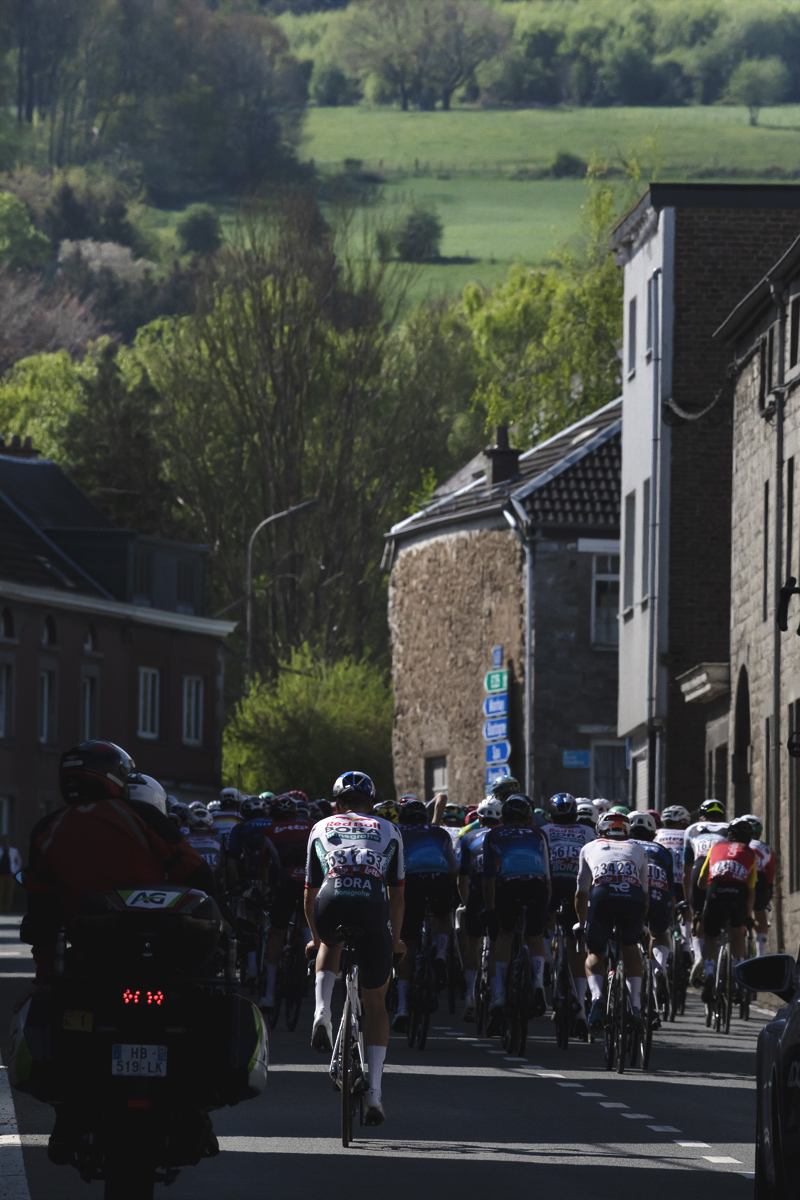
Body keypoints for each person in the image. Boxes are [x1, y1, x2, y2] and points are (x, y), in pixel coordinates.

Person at [24, 741, 214, 982]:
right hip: (160, 949)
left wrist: (45, 976)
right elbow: (197, 873)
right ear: (112, 775)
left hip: (88, 955)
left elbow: (41, 912)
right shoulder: (142, 815)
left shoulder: (46, 829)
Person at [305, 770, 405, 1127]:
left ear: (336, 804)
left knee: (330, 942)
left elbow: (309, 893)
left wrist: (315, 937)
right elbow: (397, 895)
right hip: (372, 907)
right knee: (376, 1002)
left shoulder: (320, 826)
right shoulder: (389, 829)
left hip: (330, 901)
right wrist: (395, 941)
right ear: (371, 803)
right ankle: (374, 1091)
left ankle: (322, 1012)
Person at [575, 811, 649, 1035]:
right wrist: (640, 923)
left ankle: (597, 997)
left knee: (595, 952)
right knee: (630, 947)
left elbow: (581, 893)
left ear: (600, 830)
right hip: (633, 899)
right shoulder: (638, 848)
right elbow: (645, 893)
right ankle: (635, 1007)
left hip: (602, 898)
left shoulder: (589, 847)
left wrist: (582, 924)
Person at [483, 793, 551, 1033]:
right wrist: (546, 908)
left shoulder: (494, 834)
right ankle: (539, 983)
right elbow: (548, 876)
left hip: (509, 885)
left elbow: (489, 878)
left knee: (505, 934)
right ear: (528, 818)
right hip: (537, 885)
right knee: (535, 937)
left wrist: (490, 909)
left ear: (503, 817)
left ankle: (498, 995)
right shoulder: (539, 834)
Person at [393, 797, 458, 1030]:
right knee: (443, 916)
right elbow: (454, 868)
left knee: (407, 944)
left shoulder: (397, 832)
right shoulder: (440, 832)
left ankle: (402, 1007)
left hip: (412, 882)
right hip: (439, 878)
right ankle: (440, 953)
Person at [543, 793, 596, 1036]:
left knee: (546, 917)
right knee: (578, 942)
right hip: (577, 886)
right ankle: (581, 1007)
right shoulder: (587, 831)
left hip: (552, 884)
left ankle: (546, 956)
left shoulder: (544, 830)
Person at [259, 794, 313, 1010]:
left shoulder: (270, 830)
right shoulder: (310, 826)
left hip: (286, 879)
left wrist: (263, 890)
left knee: (277, 933)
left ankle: (269, 994)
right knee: (307, 920)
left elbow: (264, 866)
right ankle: (312, 953)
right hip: (310, 879)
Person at [697, 818, 758, 1004]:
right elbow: (751, 890)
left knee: (711, 937)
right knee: (737, 932)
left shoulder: (716, 847)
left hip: (716, 889)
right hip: (739, 892)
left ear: (729, 835)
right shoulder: (751, 853)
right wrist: (748, 916)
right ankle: (738, 980)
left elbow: (701, 882)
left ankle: (709, 973)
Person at [458, 797, 502, 1020]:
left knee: (473, 942)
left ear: (479, 817)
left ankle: (469, 996)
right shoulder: (504, 835)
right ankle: (497, 995)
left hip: (476, 890)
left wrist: (468, 905)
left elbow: (461, 878)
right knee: (496, 943)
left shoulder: (468, 837)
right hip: (499, 890)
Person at [629, 811, 675, 1010]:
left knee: (625, 937)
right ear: (653, 833)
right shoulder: (663, 850)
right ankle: (660, 967)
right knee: (659, 934)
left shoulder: (625, 846)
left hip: (633, 894)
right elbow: (671, 890)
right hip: (659, 895)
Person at [684, 800, 729, 984]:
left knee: (697, 916)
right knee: (717, 921)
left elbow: (686, 869)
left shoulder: (691, 829)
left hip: (699, 866)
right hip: (721, 868)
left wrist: (688, 900)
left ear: (702, 816)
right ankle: (718, 964)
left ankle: (698, 956)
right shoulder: (728, 828)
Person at [741, 814, 774, 956]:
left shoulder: (735, 845)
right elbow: (770, 873)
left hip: (740, 877)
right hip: (760, 879)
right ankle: (760, 952)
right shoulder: (766, 848)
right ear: (759, 833)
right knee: (760, 913)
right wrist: (769, 891)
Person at [0, 836, 21, 913]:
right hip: (1, 874)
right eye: (4, 842)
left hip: (10, 874)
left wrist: (15, 870)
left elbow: (18, 861)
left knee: (9, 891)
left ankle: (7, 909)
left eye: (7, 842)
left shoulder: (14, 851)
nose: (6, 844)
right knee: (0, 891)